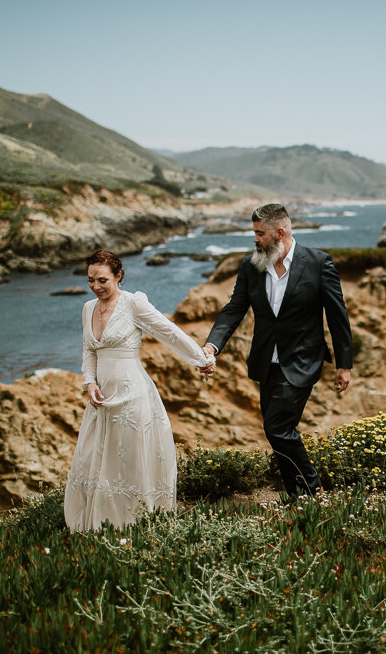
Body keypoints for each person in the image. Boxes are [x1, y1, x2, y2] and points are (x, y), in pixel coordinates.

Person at [200, 203, 353, 496]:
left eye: (260, 233)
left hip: (301, 360)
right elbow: (234, 308)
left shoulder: (319, 263)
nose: (255, 239)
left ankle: (313, 489)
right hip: (265, 362)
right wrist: (212, 345)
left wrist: (343, 364)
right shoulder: (251, 265)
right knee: (279, 432)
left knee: (277, 429)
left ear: (279, 232)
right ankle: (298, 495)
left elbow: (337, 315)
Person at [64, 249, 214, 531]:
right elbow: (88, 350)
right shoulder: (87, 308)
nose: (96, 286)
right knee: (98, 460)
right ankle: (103, 524)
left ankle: (138, 521)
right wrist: (89, 382)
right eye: (90, 280)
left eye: (102, 280)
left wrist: (201, 359)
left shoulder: (133, 304)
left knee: (130, 461)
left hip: (133, 396)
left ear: (118, 276)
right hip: (101, 398)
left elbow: (168, 332)